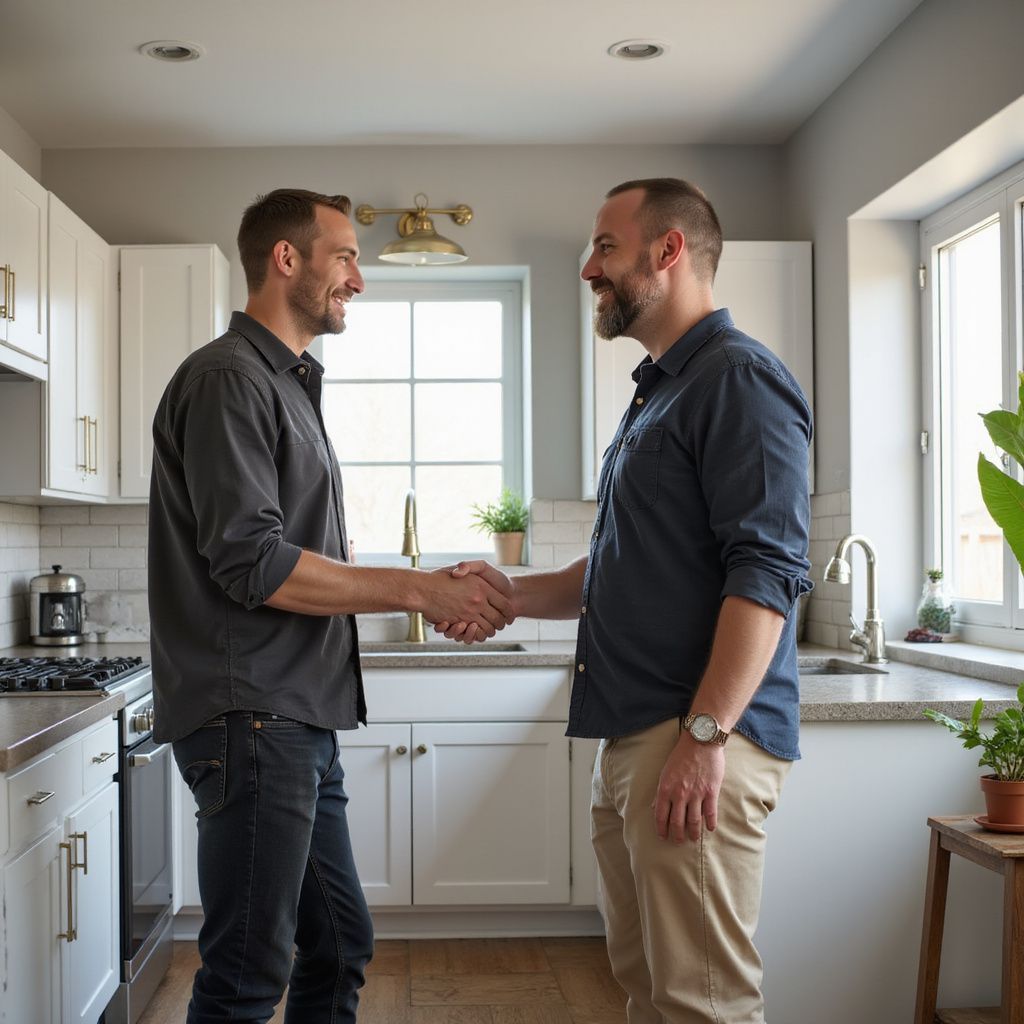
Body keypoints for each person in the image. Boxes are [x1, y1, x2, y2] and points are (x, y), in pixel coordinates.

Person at [439, 178, 812, 1023]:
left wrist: (706, 735)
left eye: (605, 247)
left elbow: (767, 576)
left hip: (693, 736)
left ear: (668, 250)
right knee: (650, 991)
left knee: (702, 1003)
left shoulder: (740, 381)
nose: (587, 268)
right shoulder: (662, 389)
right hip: (640, 737)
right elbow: (616, 567)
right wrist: (506, 596)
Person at [148, 188, 513, 1024]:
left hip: (296, 718)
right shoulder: (229, 379)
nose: (359, 278)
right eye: (345, 255)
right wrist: (421, 587)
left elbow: (281, 549)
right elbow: (253, 564)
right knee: (246, 975)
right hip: (255, 719)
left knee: (340, 944)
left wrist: (397, 578)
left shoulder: (287, 383)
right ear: (288, 258)